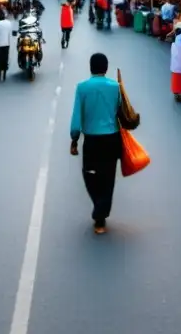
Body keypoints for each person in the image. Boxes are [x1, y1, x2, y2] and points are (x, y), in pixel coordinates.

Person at [70, 53, 122, 235]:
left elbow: (77, 115)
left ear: (90, 67)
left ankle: (99, 210)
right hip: (111, 139)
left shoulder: (82, 88)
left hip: (91, 141)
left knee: (89, 174)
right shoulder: (116, 87)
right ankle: (101, 213)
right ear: (106, 68)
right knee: (108, 179)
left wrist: (74, 138)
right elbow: (119, 110)